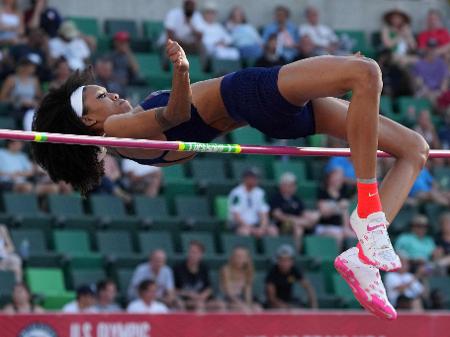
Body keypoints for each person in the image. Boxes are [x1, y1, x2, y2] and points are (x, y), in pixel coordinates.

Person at [32, 37, 431, 320]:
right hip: (250, 94)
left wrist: (334, 72)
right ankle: (368, 214)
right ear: (88, 121)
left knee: (413, 147)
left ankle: (364, 258)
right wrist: (182, 71)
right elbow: (176, 115)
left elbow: (177, 120)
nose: (114, 96)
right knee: (367, 72)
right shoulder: (118, 129)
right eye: (101, 97)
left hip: (265, 108)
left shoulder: (125, 139)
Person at [270, 172, 320, 251]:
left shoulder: (296, 199)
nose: (293, 187)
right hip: (282, 225)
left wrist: (312, 216)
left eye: (293, 185)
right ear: (282, 186)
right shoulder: (276, 198)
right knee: (298, 228)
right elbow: (278, 215)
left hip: (297, 222)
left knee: (313, 217)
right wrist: (295, 220)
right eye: (290, 185)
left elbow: (303, 213)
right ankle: (297, 253)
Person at [174, 240, 224, 312]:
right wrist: (189, 294)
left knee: (220, 305)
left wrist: (203, 296)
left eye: (195, 253)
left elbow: (209, 288)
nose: (192, 255)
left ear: (201, 255)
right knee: (199, 305)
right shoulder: (178, 268)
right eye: (190, 251)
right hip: (186, 300)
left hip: (202, 299)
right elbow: (174, 290)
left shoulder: (204, 268)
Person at [228, 168, 278, 237]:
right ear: (246, 178)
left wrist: (262, 228)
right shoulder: (237, 193)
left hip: (256, 224)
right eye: (253, 178)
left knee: (272, 230)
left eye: (257, 178)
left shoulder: (260, 193)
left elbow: (264, 214)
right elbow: (236, 216)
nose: (256, 180)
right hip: (239, 225)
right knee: (245, 232)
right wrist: (251, 229)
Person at [265, 244, 317, 309]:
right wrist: (286, 307)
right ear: (278, 261)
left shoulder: (294, 270)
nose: (285, 263)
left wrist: (314, 305)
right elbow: (271, 298)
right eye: (282, 260)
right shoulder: (272, 272)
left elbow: (308, 287)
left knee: (300, 308)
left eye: (287, 260)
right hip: (275, 304)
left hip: (289, 301)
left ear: (292, 261)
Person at [316, 168, 356, 250]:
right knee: (338, 236)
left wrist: (346, 228)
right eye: (338, 178)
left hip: (339, 228)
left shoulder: (342, 195)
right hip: (324, 227)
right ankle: (336, 260)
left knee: (357, 237)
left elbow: (345, 212)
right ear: (331, 179)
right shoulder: (323, 192)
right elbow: (324, 212)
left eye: (341, 178)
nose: (340, 181)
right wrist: (338, 206)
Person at [220, 246, 261, 312]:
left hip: (240, 297)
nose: (239, 259)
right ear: (232, 257)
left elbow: (248, 290)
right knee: (242, 309)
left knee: (257, 308)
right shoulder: (226, 269)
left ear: (247, 259)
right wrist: (241, 304)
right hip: (227, 298)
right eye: (237, 256)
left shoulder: (248, 270)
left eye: (242, 256)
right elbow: (228, 291)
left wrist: (248, 304)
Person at [413, 39, 449, 107]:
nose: (432, 50)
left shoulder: (441, 63)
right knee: (430, 96)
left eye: (434, 48)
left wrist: (442, 92)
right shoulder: (419, 64)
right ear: (426, 48)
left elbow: (445, 82)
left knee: (443, 98)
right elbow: (418, 82)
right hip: (424, 91)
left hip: (438, 92)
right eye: (430, 47)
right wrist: (427, 91)